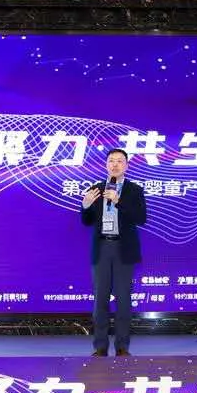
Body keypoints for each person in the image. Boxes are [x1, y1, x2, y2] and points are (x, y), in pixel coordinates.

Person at [81, 148, 147, 356]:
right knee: (100, 299)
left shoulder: (134, 190)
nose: (115, 164)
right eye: (111, 161)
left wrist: (119, 201)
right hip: (102, 247)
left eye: (119, 161)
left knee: (123, 299)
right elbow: (87, 222)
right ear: (106, 165)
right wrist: (85, 206)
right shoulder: (96, 189)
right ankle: (100, 346)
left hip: (123, 248)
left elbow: (141, 218)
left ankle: (122, 346)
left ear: (126, 165)